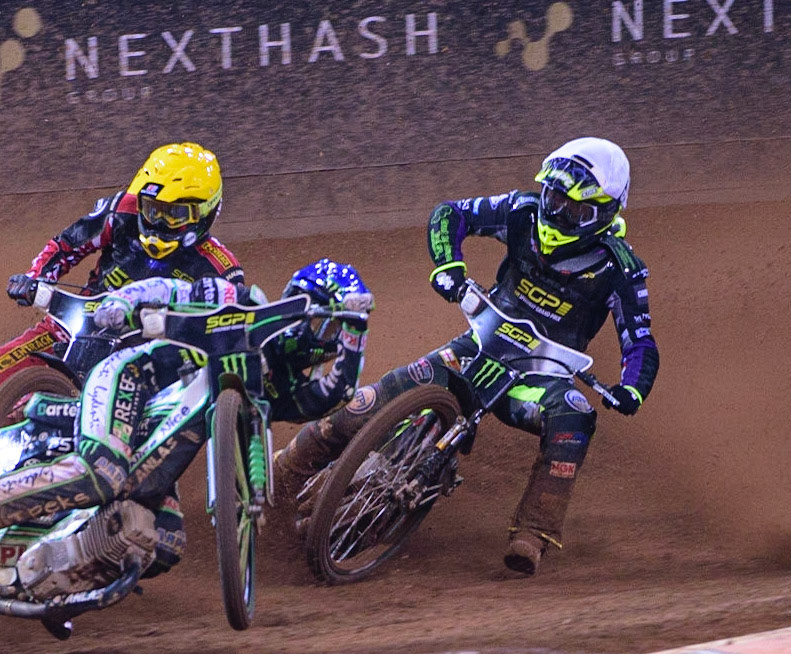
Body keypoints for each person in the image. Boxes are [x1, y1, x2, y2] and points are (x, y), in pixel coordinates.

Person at [272, 137, 659, 575]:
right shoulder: (521, 212)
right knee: (371, 400)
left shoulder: (621, 268)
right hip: (476, 346)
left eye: (575, 210)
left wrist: (631, 389)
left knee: (575, 416)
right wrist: (448, 266)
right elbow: (450, 214)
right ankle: (282, 473)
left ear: (605, 214)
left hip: (541, 376)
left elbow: (640, 341)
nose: (556, 213)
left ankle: (532, 533)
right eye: (553, 198)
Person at [0, 261, 374, 581]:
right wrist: (121, 304)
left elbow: (328, 397)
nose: (326, 341)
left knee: (164, 541)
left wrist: (357, 332)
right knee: (103, 474)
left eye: (336, 332)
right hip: (129, 380)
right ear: (298, 303)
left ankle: (37, 577)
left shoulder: (274, 382)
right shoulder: (241, 303)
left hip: (154, 447)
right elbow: (171, 290)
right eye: (326, 325)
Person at [0, 142, 245, 431]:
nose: (158, 223)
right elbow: (68, 244)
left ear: (206, 214)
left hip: (143, 363)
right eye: (152, 210)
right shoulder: (120, 212)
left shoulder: (220, 270)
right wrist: (35, 279)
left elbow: (227, 334)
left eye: (174, 215)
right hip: (73, 325)